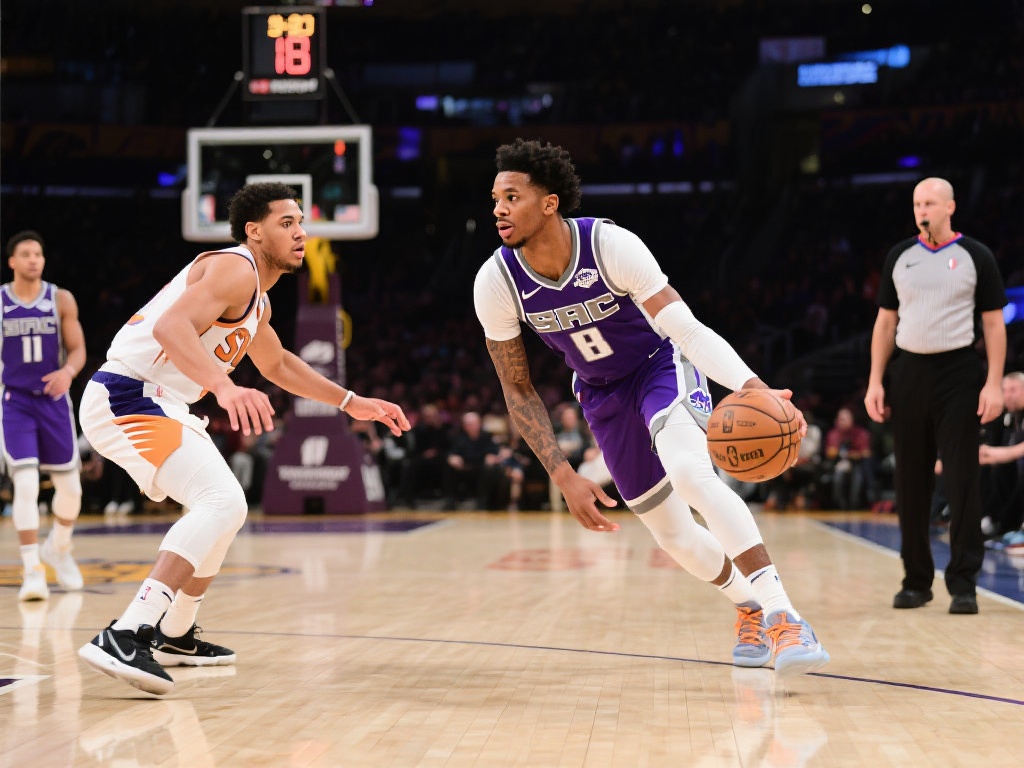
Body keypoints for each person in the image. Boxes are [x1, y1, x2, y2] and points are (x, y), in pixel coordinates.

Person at [473, 138, 828, 676]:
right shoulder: (496, 281)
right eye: (496, 199)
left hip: (660, 366)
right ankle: (750, 607)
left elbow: (685, 328)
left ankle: (786, 616)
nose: (499, 209)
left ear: (549, 203)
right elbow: (517, 388)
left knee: (689, 473)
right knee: (673, 536)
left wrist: (754, 387)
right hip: (601, 394)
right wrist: (562, 474)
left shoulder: (609, 245)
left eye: (512, 197)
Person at [76, 182, 410, 695]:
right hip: (128, 393)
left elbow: (277, 365)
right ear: (254, 231)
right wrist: (224, 387)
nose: (300, 233)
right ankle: (126, 632)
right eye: (286, 223)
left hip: (159, 400)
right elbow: (171, 327)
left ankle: (175, 632)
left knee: (226, 509)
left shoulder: (259, 300)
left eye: (301, 223)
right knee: (223, 501)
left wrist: (350, 401)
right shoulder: (235, 268)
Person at [864, 177, 1006, 615]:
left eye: (929, 203)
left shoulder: (976, 256)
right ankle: (916, 581)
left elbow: (993, 324)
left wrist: (994, 383)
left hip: (959, 371)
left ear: (950, 207)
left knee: (962, 477)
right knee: (910, 480)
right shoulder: (900, 256)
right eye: (916, 204)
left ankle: (964, 584)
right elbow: (885, 323)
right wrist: (875, 381)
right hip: (909, 370)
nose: (921, 210)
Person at [2, 230, 86, 601]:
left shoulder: (60, 299)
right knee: (25, 483)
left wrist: (68, 372)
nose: (34, 259)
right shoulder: (1, 302)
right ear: (12, 261)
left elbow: (78, 349)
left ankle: (59, 547)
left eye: (38, 253)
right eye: (26, 254)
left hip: (53, 401)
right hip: (15, 401)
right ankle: (32, 569)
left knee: (71, 490)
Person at [979, 371, 1024, 543]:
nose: (1007, 395)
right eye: (1004, 390)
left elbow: (1016, 451)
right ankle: (994, 520)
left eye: (1013, 390)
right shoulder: (1008, 418)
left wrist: (995, 454)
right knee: (991, 467)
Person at [823, 407, 873, 510]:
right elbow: (830, 452)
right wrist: (846, 454)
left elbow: (866, 453)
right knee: (838, 477)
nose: (843, 422)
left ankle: (855, 506)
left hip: (857, 465)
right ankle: (841, 507)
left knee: (858, 478)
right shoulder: (833, 433)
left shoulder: (861, 433)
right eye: (841, 419)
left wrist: (850, 454)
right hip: (838, 464)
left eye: (845, 419)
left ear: (852, 420)